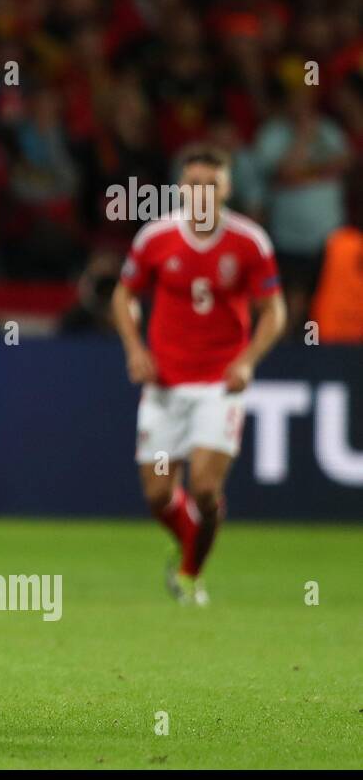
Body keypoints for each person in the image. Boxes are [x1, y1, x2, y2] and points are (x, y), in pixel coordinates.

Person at [111, 144, 286, 605]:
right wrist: (135, 349)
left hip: (218, 385)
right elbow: (123, 295)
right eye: (194, 184)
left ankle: (191, 571)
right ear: (181, 187)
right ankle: (191, 539)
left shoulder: (249, 242)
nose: (202, 193)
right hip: (165, 385)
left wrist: (247, 360)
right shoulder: (156, 238)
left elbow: (274, 310)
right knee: (157, 495)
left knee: (206, 489)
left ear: (227, 188)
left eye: (212, 184)